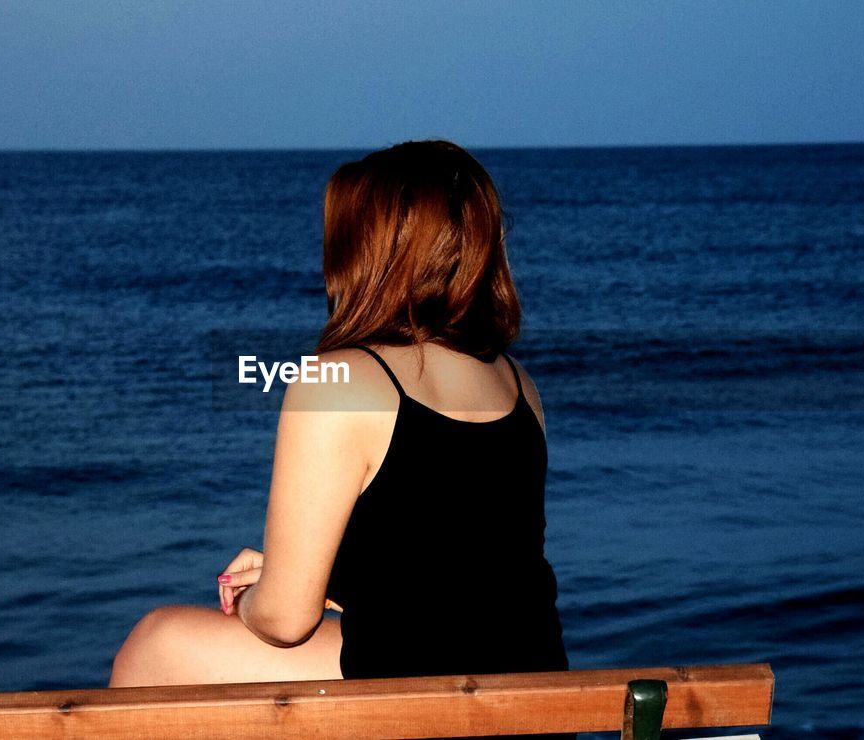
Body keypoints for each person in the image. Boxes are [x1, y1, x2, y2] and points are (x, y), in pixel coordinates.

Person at [109, 140, 569, 704]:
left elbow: (284, 621)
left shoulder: (338, 381)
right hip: (535, 705)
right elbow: (464, 580)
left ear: (368, 253)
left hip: (425, 714)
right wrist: (311, 576)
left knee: (156, 645)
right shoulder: (519, 385)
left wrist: (257, 598)